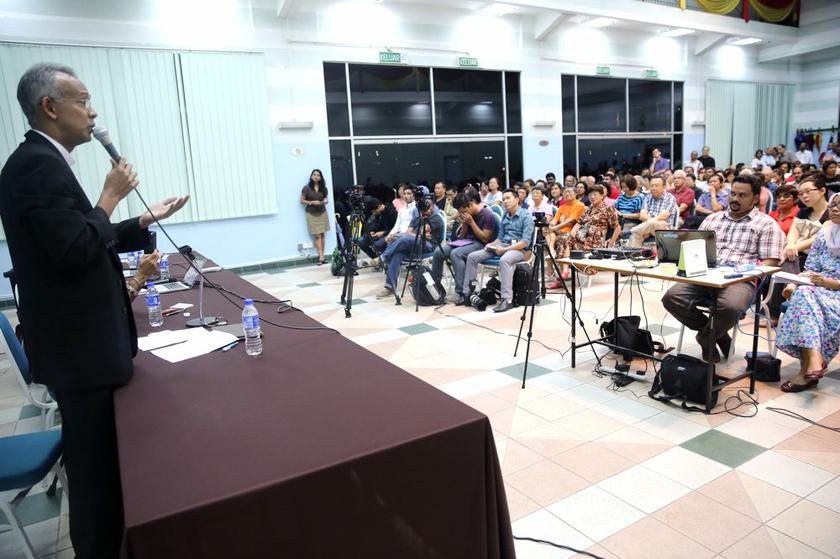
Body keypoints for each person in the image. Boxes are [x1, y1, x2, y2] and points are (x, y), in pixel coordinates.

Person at [0, 63, 190, 559]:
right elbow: (71, 252)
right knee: (95, 475)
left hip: (81, 347)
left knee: (103, 467)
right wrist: (110, 195)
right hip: (79, 354)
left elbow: (83, 235)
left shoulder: (44, 161)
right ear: (50, 107)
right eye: (82, 100)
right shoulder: (35, 166)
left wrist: (141, 218)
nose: (94, 111)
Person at [662, 175, 784, 363]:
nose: (735, 199)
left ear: (755, 199)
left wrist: (744, 271)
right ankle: (717, 335)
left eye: (742, 195)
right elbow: (696, 249)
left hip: (740, 279)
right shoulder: (712, 219)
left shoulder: (766, 224)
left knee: (731, 306)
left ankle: (705, 338)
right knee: (672, 298)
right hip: (706, 274)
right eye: (733, 193)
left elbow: (772, 262)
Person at [776, 194, 840, 392]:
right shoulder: (825, 234)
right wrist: (793, 285)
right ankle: (813, 362)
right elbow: (810, 267)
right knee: (803, 294)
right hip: (816, 288)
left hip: (835, 290)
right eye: (834, 204)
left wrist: (829, 282)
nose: (836, 209)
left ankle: (808, 367)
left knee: (804, 298)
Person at [463, 189, 534, 313]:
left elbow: (525, 242)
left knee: (505, 260)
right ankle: (468, 293)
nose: (505, 201)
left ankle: (507, 299)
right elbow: (500, 238)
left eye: (508, 198)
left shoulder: (526, 216)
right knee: (472, 257)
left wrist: (505, 249)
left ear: (517, 200)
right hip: (502, 245)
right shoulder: (505, 216)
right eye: (504, 199)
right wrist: (491, 244)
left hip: (520, 249)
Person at [432, 189, 497, 305]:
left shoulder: (487, 215)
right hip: (466, 242)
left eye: (464, 211)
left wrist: (472, 222)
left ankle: (461, 291)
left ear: (471, 204)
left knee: (455, 254)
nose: (463, 214)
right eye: (460, 212)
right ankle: (436, 286)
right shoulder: (466, 215)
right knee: (438, 251)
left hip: (481, 244)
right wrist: (465, 223)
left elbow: (485, 238)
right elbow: (462, 236)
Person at [376, 190, 444, 300]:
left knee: (401, 237)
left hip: (428, 247)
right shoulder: (417, 218)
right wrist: (416, 235)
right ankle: (390, 286)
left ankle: (383, 257)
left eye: (429, 206)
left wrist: (415, 235)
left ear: (433, 206)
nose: (427, 208)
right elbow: (409, 233)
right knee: (397, 253)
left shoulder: (436, 218)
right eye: (425, 206)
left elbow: (419, 233)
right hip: (414, 244)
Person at [555, 185, 620, 272]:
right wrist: (574, 230)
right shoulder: (588, 209)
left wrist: (611, 243)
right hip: (581, 237)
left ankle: (565, 272)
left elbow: (617, 227)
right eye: (590, 195)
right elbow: (579, 222)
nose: (592, 197)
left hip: (594, 242)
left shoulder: (608, 209)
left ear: (601, 196)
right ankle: (565, 271)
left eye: (595, 195)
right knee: (563, 239)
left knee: (565, 241)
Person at [628, 177, 677, 247]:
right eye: (652, 186)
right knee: (635, 235)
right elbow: (642, 215)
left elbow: (664, 216)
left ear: (663, 187)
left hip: (664, 229)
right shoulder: (647, 197)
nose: (653, 188)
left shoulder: (670, 198)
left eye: (656, 186)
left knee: (638, 231)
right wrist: (650, 224)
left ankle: (634, 230)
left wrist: (650, 222)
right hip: (648, 228)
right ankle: (633, 254)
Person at [300, 168, 330, 265]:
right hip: (311, 213)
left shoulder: (324, 188)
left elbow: (325, 199)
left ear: (320, 177)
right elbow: (302, 201)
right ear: (311, 176)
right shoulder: (306, 188)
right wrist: (312, 202)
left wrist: (325, 201)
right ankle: (321, 256)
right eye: (314, 174)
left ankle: (322, 256)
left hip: (322, 212)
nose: (316, 176)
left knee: (322, 235)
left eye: (318, 175)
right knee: (317, 235)